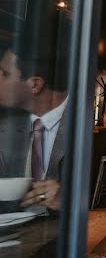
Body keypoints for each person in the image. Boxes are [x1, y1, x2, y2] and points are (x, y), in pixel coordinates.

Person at [0, 40, 67, 211]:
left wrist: (69, 202)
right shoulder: (7, 126)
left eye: (4, 74)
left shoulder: (82, 124)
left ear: (35, 84)